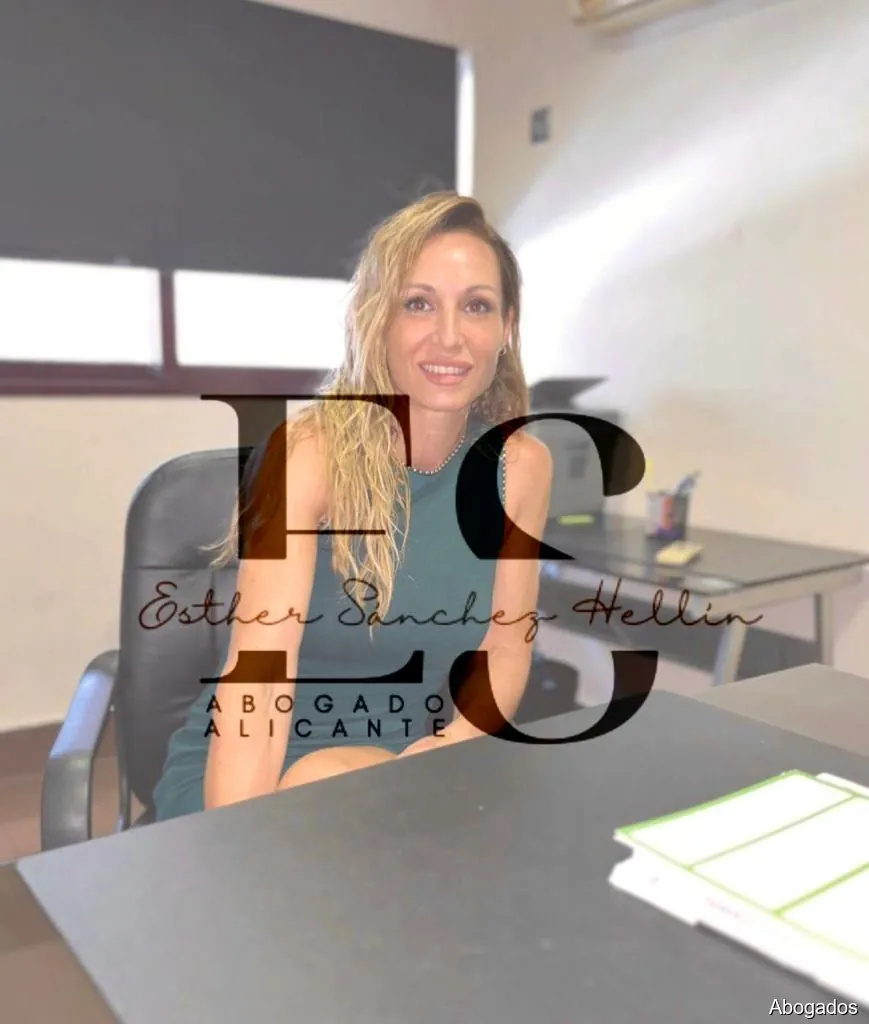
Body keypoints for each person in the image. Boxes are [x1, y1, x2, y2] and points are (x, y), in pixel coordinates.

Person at [152, 191, 553, 820]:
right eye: (418, 303)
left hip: (415, 754)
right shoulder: (306, 455)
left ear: (505, 326)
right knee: (322, 795)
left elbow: (506, 646)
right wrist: (235, 836)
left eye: (476, 306)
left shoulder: (520, 466)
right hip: (256, 757)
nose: (450, 336)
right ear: (377, 318)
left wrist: (454, 745)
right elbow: (260, 672)